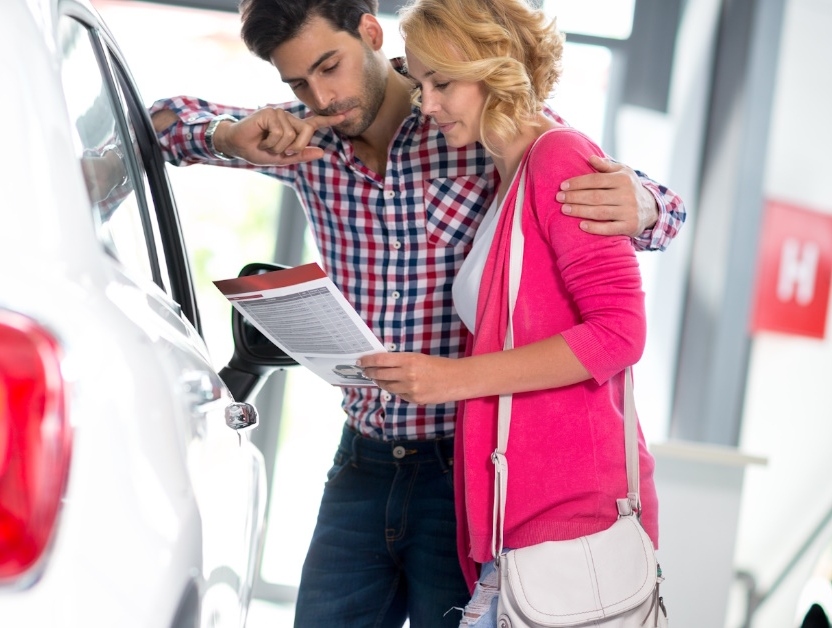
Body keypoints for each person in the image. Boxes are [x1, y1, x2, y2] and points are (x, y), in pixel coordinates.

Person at [150, 1, 683, 625]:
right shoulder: (301, 140)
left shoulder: (479, 119)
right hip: (362, 458)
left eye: (330, 67)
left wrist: (645, 205)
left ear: (372, 33)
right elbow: (160, 122)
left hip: (465, 467)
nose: (321, 96)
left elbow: (656, 215)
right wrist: (228, 138)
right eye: (297, 83)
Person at [357, 0, 659, 624]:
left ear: (494, 69)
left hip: (569, 522)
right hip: (525, 523)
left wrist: (449, 379)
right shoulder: (509, 176)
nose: (427, 104)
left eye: (442, 83)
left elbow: (619, 332)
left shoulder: (559, 158)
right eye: (420, 85)